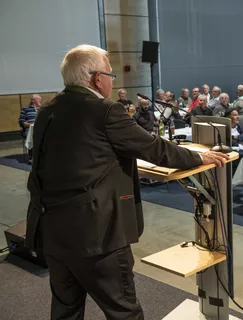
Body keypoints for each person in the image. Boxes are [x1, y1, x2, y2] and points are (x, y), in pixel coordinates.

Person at [25, 44, 229, 320]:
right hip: (96, 234)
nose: (111, 81)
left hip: (51, 229)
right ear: (97, 78)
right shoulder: (104, 111)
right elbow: (154, 148)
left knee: (66, 309)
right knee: (123, 311)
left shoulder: (47, 111)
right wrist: (198, 157)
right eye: (111, 75)